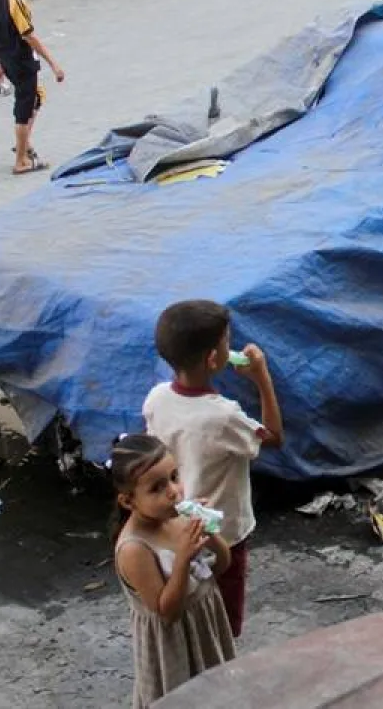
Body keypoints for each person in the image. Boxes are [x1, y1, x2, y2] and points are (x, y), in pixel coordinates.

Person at [143, 299, 283, 640]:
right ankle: (217, 668)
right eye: (226, 341)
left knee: (190, 603)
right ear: (213, 358)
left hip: (177, 527)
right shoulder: (224, 416)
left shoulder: (156, 398)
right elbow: (274, 437)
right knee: (221, 619)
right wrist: (262, 377)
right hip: (224, 534)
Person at [110, 434, 236, 708]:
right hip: (173, 643)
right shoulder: (135, 549)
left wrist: (209, 530)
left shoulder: (177, 518)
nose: (174, 492)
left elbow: (223, 565)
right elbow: (168, 612)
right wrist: (182, 559)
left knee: (214, 693)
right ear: (128, 502)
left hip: (204, 623)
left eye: (174, 476)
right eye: (156, 488)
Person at [0, 0, 64, 175]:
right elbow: (29, 36)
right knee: (24, 106)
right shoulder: (16, 4)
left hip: (8, 60)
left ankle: (25, 143)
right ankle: (21, 159)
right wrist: (53, 64)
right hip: (21, 61)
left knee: (36, 96)